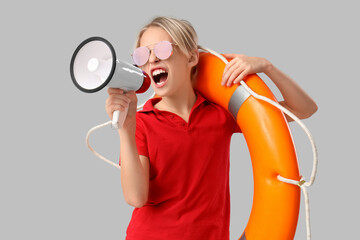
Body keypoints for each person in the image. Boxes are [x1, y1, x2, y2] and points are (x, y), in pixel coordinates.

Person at [105, 16, 317, 240]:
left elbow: (304, 109)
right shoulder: (142, 123)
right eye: (142, 55)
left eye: (163, 49)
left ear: (192, 57)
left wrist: (267, 67)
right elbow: (135, 197)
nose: (153, 59)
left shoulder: (219, 115)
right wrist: (125, 129)